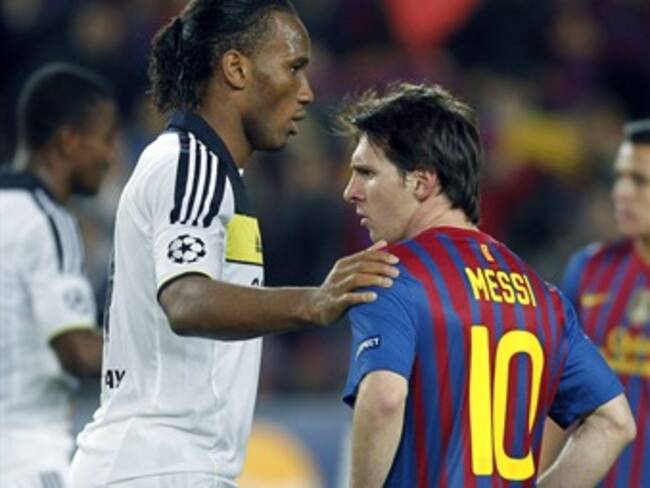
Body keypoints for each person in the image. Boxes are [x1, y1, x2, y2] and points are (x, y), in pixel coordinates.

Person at [70, 1, 397, 487]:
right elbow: (186, 300)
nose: (307, 92)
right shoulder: (190, 165)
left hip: (166, 465)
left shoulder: (211, 174)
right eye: (293, 68)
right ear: (236, 68)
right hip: (157, 467)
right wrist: (313, 301)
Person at [337, 82, 636, 488]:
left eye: (367, 173)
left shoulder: (389, 274)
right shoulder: (543, 297)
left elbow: (385, 399)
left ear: (421, 182)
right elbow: (615, 423)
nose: (350, 192)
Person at [0, 63, 118, 487]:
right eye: (106, 139)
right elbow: (78, 352)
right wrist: (156, 355)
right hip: (26, 455)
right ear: (69, 140)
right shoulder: (47, 220)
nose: (111, 156)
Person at [541, 119, 650, 487]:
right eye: (619, 178)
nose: (621, 193)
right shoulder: (590, 270)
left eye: (639, 181)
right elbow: (555, 396)